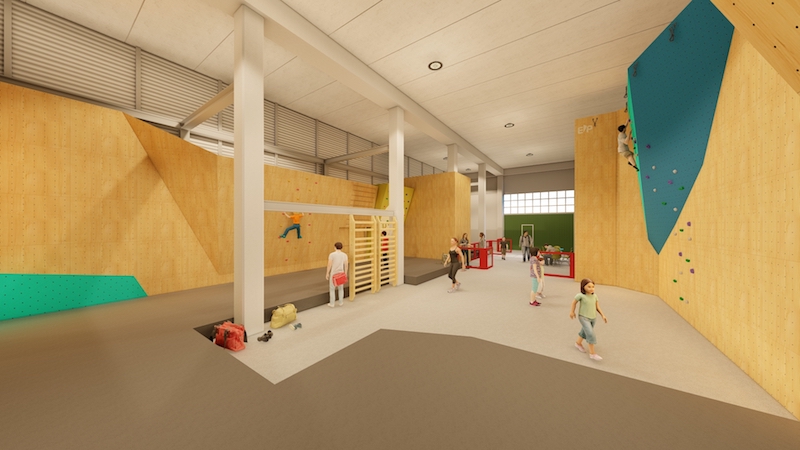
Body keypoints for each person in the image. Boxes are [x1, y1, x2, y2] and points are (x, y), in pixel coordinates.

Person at [570, 278, 608, 360]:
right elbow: (574, 303)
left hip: (593, 318)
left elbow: (597, 307)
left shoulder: (595, 296)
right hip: (583, 317)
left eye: (593, 287)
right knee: (590, 334)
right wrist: (572, 312)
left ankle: (578, 343)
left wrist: (603, 315)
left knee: (585, 331)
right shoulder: (580, 295)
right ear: (583, 287)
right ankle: (592, 353)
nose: (591, 288)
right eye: (589, 287)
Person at [325, 242, 348, 307]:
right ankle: (341, 302)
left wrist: (327, 273)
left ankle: (332, 303)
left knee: (332, 289)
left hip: (334, 273)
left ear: (335, 247)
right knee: (341, 288)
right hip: (341, 273)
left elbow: (329, 265)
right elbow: (346, 265)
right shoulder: (344, 255)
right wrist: (345, 273)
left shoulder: (332, 255)